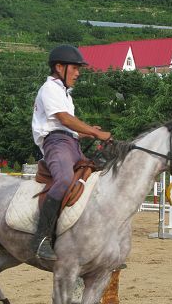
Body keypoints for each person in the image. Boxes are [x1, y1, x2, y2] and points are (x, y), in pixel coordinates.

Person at [31, 44, 112, 261]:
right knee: (65, 179)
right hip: (55, 144)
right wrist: (98, 134)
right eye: (75, 68)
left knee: (97, 177)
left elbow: (69, 126)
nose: (78, 73)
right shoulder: (49, 89)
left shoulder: (65, 93)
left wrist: (88, 133)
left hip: (70, 143)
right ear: (59, 67)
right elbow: (64, 120)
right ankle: (41, 239)